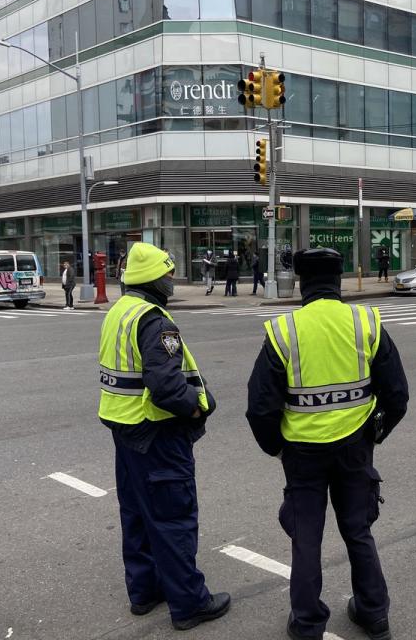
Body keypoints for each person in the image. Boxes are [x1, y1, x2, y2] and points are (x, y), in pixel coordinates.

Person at [246, 248, 409, 640]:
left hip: (302, 454)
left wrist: (277, 448)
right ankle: (373, 613)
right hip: (355, 447)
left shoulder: (284, 331)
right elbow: (397, 395)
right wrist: (375, 433)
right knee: (358, 530)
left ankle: (307, 624)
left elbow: (260, 408)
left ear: (302, 282)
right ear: (338, 280)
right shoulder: (365, 323)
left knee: (307, 538)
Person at [98, 242, 231, 630]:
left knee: (137, 515)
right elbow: (167, 387)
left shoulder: (119, 312)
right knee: (174, 518)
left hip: (126, 430)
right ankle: (189, 603)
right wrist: (196, 406)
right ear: (154, 279)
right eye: (168, 275)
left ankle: (144, 591)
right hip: (158, 434)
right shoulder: (155, 321)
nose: (172, 281)